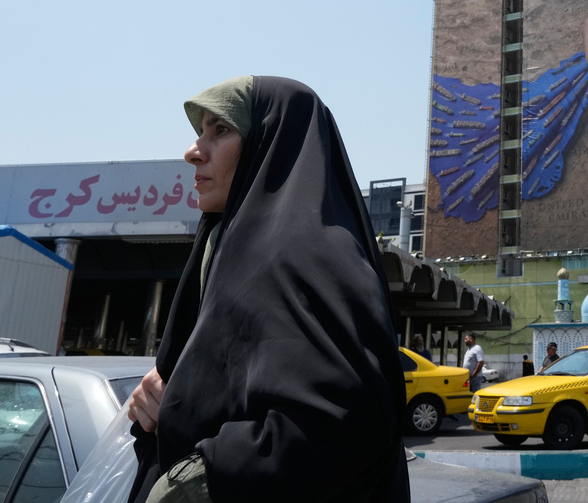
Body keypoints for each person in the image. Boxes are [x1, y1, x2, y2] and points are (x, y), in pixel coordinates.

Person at [125, 76, 409, 503]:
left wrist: (206, 476)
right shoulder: (227, 244)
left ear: (270, 144)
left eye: (220, 130)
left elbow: (348, 419)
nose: (192, 151)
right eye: (199, 132)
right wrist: (166, 398)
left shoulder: (308, 252)